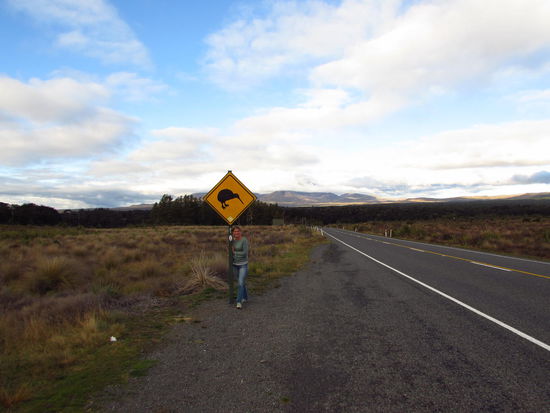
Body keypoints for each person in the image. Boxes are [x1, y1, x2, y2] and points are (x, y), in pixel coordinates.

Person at [232, 226, 249, 309]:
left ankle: (239, 302)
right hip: (234, 264)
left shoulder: (244, 240)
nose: (236, 233)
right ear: (233, 233)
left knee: (240, 282)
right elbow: (229, 251)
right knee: (241, 282)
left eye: (238, 231)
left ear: (240, 232)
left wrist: (235, 253)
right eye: (235, 231)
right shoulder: (232, 241)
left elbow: (245, 253)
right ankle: (245, 297)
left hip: (243, 264)